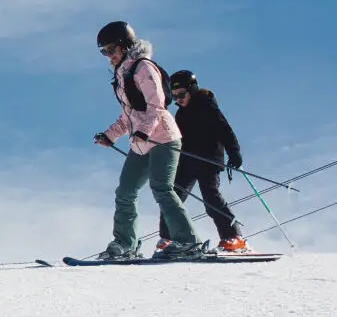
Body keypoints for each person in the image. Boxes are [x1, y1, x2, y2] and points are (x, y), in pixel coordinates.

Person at [92, 21, 201, 259]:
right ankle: (124, 245)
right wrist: (109, 135)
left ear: (126, 45)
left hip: (163, 138)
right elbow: (129, 116)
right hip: (140, 144)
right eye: (104, 52)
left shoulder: (143, 67)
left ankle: (187, 242)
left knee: (161, 188)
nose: (108, 56)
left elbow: (156, 105)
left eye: (111, 49)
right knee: (125, 192)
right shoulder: (121, 76)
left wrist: (145, 131)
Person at [161, 70, 247, 253]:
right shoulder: (181, 115)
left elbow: (224, 130)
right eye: (174, 97)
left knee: (210, 198)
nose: (178, 100)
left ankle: (234, 237)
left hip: (208, 160)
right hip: (187, 161)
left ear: (192, 90)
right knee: (171, 196)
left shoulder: (206, 106)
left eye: (181, 95)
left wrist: (234, 152)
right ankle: (169, 239)